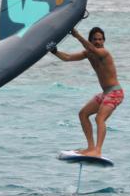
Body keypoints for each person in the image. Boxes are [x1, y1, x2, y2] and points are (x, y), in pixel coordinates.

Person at [47, 27, 123, 158]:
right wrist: (55, 51)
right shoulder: (88, 53)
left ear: (104, 41)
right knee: (83, 114)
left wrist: (77, 35)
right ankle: (90, 147)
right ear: (90, 40)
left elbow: (93, 50)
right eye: (95, 39)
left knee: (99, 118)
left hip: (115, 93)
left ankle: (97, 151)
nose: (98, 42)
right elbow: (68, 57)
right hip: (105, 93)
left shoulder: (104, 52)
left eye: (100, 39)